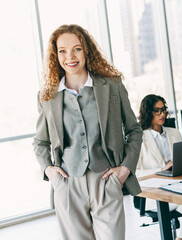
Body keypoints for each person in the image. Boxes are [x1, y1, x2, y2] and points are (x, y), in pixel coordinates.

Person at [33, 24, 143, 240]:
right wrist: (50, 172)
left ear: (86, 51)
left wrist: (124, 169)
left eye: (77, 49)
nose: (70, 57)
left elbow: (134, 130)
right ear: (56, 55)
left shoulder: (111, 86)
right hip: (68, 184)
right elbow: (40, 142)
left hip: (106, 180)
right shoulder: (47, 96)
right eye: (62, 51)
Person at [137, 94, 182, 240]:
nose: (162, 114)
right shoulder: (139, 139)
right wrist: (160, 170)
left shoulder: (174, 133)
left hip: (179, 188)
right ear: (148, 112)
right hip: (156, 194)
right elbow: (134, 173)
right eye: (157, 111)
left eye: (164, 110)